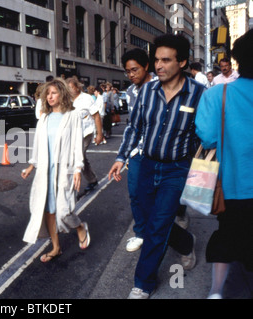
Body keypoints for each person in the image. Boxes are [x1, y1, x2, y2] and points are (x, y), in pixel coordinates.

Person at [108, 34, 206, 299]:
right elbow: (134, 127)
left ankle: (143, 283)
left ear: (182, 61)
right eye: (156, 60)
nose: (158, 65)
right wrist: (121, 158)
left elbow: (206, 137)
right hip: (148, 165)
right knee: (151, 220)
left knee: (158, 226)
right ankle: (186, 243)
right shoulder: (147, 92)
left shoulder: (198, 94)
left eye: (166, 60)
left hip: (176, 170)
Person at [195, 29, 253, 299]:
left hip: (231, 185)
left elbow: (207, 137)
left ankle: (217, 292)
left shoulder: (217, 95)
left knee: (227, 234)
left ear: (237, 60)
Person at [21, 78, 90, 262]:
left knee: (64, 210)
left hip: (64, 170)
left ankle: (80, 227)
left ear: (62, 94)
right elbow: (37, 144)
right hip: (46, 170)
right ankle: (56, 248)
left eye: (53, 93)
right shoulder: (44, 118)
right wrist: (31, 166)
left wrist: (77, 169)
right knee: (49, 211)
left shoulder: (72, 116)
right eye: (47, 94)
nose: (50, 97)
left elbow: (77, 144)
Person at [121, 48, 154, 252]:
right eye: (128, 71)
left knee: (157, 199)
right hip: (136, 152)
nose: (131, 75)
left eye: (135, 70)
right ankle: (140, 232)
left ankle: (181, 239)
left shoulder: (159, 87)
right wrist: (124, 154)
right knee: (135, 194)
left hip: (158, 151)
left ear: (146, 67)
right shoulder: (130, 92)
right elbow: (132, 124)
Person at [66, 77, 103, 192]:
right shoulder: (66, 100)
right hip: (72, 134)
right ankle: (92, 180)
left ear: (77, 87)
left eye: (71, 88)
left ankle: (70, 186)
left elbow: (96, 116)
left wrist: (99, 134)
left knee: (77, 156)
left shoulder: (87, 99)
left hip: (86, 133)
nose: (69, 90)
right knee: (81, 158)